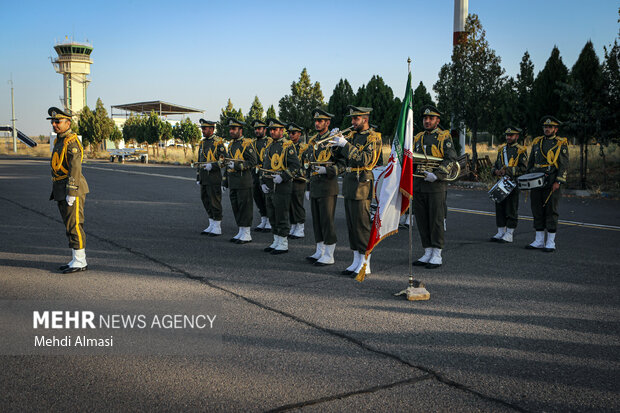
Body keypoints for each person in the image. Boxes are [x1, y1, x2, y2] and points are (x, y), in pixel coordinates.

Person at [329, 106, 382, 275]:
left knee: (362, 225)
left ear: (365, 119)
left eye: (355, 119)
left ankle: (365, 263)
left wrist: (345, 144)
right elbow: (339, 158)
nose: (352, 122)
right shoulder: (352, 136)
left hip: (362, 182)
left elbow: (365, 159)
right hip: (351, 182)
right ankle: (356, 260)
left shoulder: (374, 138)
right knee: (352, 224)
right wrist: (335, 143)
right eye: (352, 119)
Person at [411, 105, 457, 269]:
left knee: (436, 220)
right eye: (425, 118)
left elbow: (451, 159)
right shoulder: (417, 137)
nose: (427, 121)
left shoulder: (444, 137)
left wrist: (437, 175)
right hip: (419, 185)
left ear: (437, 120)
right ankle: (427, 251)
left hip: (436, 186)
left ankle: (437, 253)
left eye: (431, 118)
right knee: (422, 219)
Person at [48, 107, 89, 273]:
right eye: (53, 121)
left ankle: (80, 261)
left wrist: (71, 192)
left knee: (75, 225)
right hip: (60, 188)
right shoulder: (59, 140)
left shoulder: (72, 142)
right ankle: (75, 258)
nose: (54, 124)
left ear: (68, 122)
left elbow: (75, 168)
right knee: (69, 225)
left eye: (58, 121)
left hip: (72, 189)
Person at [305, 109, 343, 266]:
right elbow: (308, 164)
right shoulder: (313, 140)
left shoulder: (334, 140)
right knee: (317, 221)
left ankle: (329, 253)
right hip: (315, 185)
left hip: (328, 186)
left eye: (321, 121)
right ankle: (319, 250)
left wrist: (327, 170)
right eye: (316, 120)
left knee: (327, 221)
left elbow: (342, 164)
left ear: (328, 123)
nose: (317, 123)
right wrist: (307, 185)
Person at [525, 116, 569, 252]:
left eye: (550, 127)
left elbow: (564, 164)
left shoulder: (560, 143)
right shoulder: (537, 142)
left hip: (551, 181)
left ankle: (550, 242)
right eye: (545, 127)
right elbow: (531, 162)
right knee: (537, 209)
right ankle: (538, 240)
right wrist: (527, 178)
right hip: (536, 180)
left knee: (551, 210)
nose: (547, 129)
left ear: (555, 129)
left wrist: (558, 181)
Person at [260, 118, 300, 254]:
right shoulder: (270, 146)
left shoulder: (287, 146)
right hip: (270, 184)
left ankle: (283, 242)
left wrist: (283, 176)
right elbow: (264, 165)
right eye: (270, 130)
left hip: (282, 186)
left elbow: (296, 167)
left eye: (275, 130)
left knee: (281, 213)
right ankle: (276, 240)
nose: (272, 132)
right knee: (272, 214)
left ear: (282, 131)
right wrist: (262, 182)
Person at [221, 118, 257, 244]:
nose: (231, 131)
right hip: (233, 181)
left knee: (245, 207)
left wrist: (237, 166)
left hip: (243, 181)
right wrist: (224, 181)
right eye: (230, 129)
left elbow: (253, 161)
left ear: (240, 130)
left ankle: (247, 233)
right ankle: (241, 231)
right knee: (236, 207)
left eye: (234, 129)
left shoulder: (246, 144)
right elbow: (227, 163)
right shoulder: (231, 144)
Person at [490, 126, 528, 243]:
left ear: (517, 136)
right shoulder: (502, 150)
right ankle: (501, 231)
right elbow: (496, 164)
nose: (508, 137)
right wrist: (495, 171)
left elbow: (523, 168)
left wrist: (507, 171)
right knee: (499, 207)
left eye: (511, 135)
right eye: (507, 135)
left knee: (511, 208)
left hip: (512, 183)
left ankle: (509, 233)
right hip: (501, 182)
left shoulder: (521, 150)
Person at [196, 119, 227, 236]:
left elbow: (224, 160)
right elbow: (200, 160)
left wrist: (213, 166)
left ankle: (217, 225)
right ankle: (211, 222)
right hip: (204, 177)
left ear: (212, 129)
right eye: (202, 128)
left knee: (215, 201)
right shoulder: (202, 143)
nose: (203, 131)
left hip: (213, 177)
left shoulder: (218, 142)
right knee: (205, 199)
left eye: (205, 128)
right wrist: (198, 177)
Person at [250, 119, 272, 232]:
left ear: (265, 129)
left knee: (267, 197)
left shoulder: (270, 141)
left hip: (266, 172)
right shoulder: (252, 143)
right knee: (257, 196)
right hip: (254, 173)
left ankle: (270, 220)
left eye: (259, 129)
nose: (257, 131)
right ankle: (263, 218)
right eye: (255, 129)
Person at [287, 122, 308, 240]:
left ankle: (300, 227)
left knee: (297, 203)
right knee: (290, 203)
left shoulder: (304, 148)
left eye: (293, 133)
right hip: (289, 179)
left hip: (299, 179)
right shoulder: (287, 146)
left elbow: (306, 165)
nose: (290, 135)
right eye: (289, 133)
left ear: (299, 134)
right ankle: (293, 225)